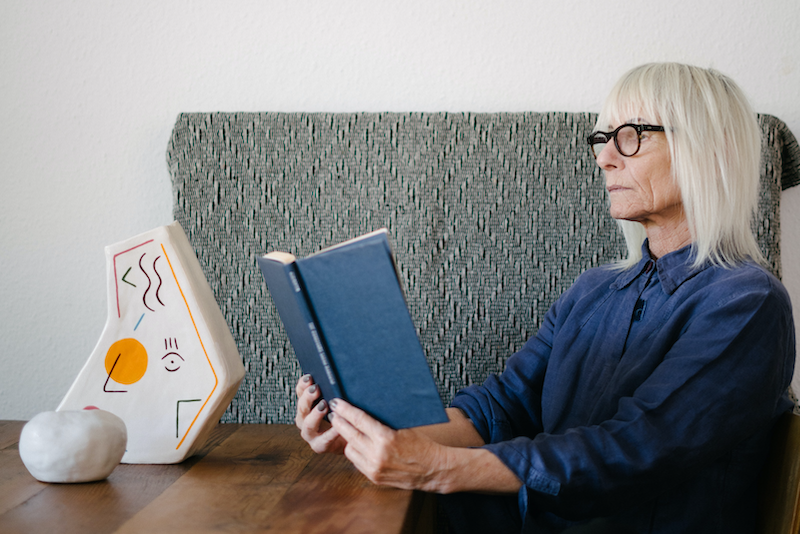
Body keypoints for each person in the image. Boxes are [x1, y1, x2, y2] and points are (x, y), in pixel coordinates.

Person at [293, 63, 796, 533]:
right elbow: (499, 407)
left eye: (631, 136)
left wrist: (438, 467)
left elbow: (634, 446)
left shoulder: (746, 303)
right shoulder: (594, 291)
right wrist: (366, 432)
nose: (603, 156)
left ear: (711, 150)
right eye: (602, 138)